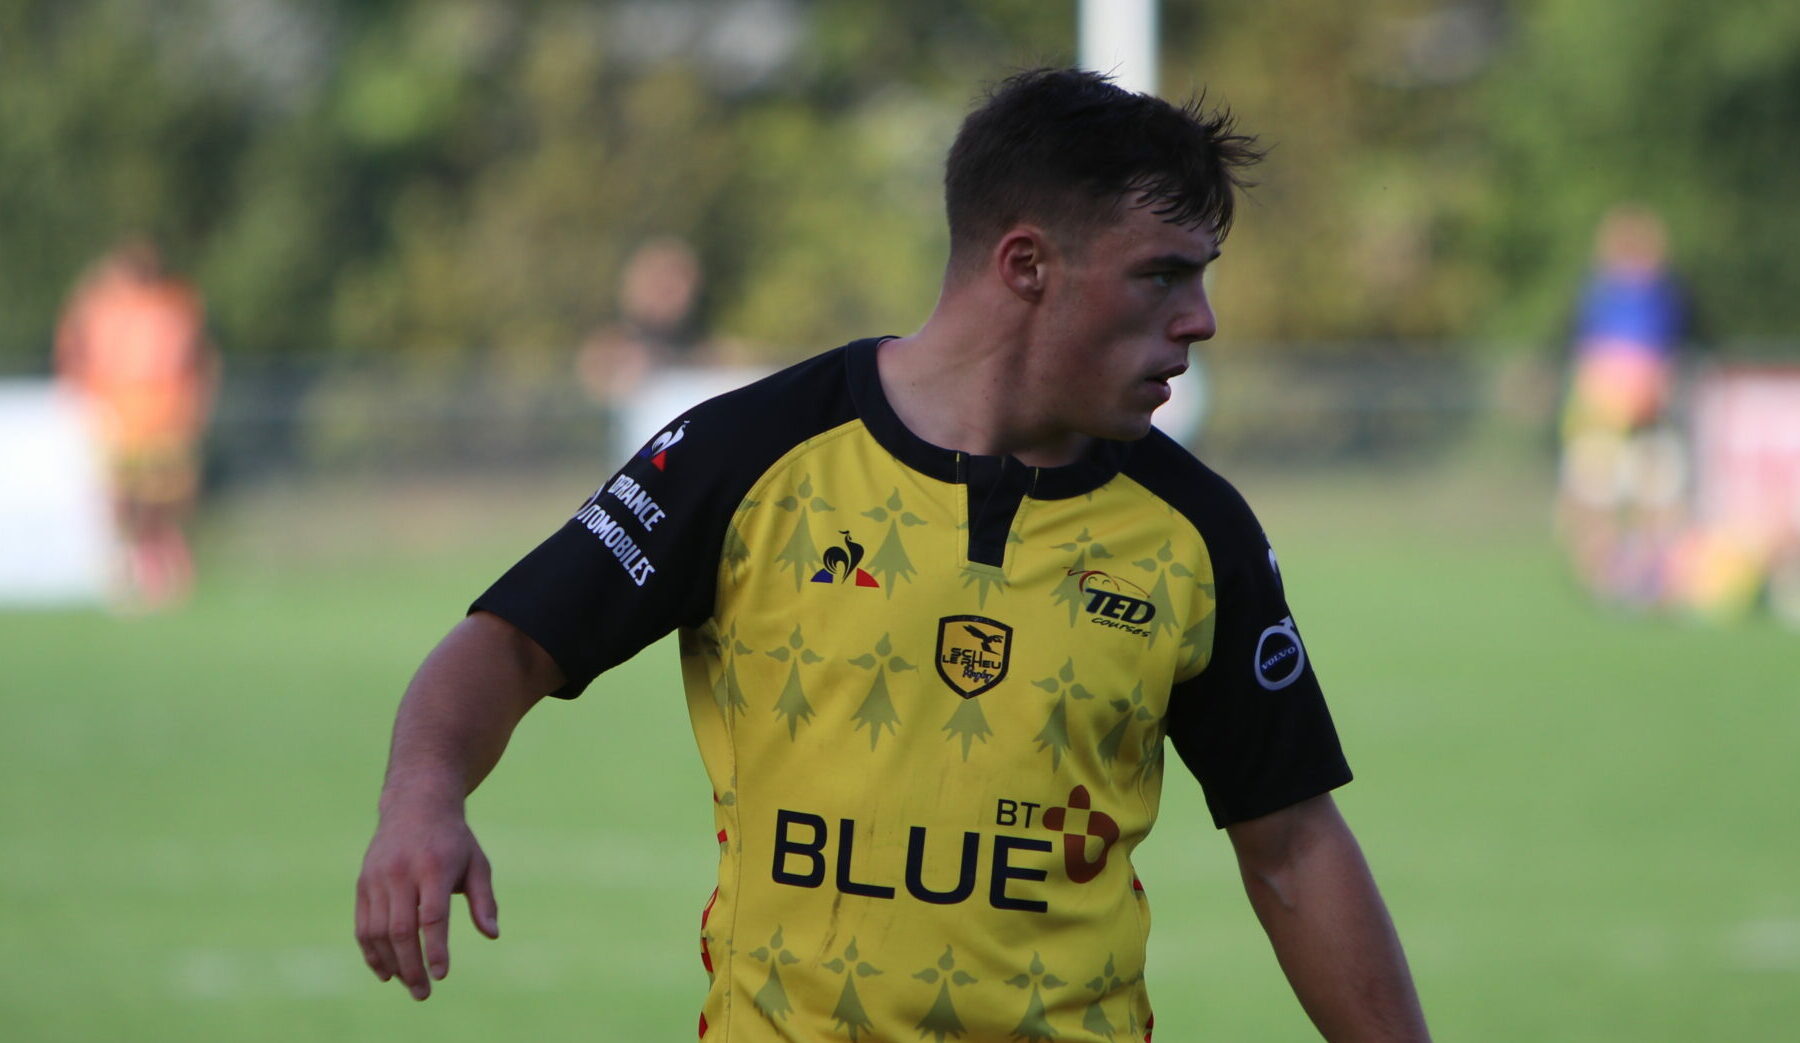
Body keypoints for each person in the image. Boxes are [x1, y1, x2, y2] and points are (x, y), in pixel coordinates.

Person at [356, 68, 1431, 1041]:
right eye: (1162, 276)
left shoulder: (1196, 530)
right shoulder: (751, 453)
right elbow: (510, 642)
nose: (1200, 320)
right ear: (1026, 265)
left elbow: (1293, 845)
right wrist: (421, 795)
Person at [54, 239, 218, 610]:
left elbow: (200, 358)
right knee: (121, 503)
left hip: (164, 418)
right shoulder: (100, 305)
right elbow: (73, 348)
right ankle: (130, 567)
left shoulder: (174, 304)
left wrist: (196, 402)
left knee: (161, 503)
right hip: (117, 420)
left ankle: (164, 569)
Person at [1555, 205, 1694, 606]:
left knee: (1657, 498)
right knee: (1594, 498)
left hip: (1652, 417)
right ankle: (1604, 578)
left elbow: (1683, 347)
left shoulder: (1667, 294)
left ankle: (1653, 575)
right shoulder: (1595, 292)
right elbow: (1571, 342)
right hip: (1600, 417)